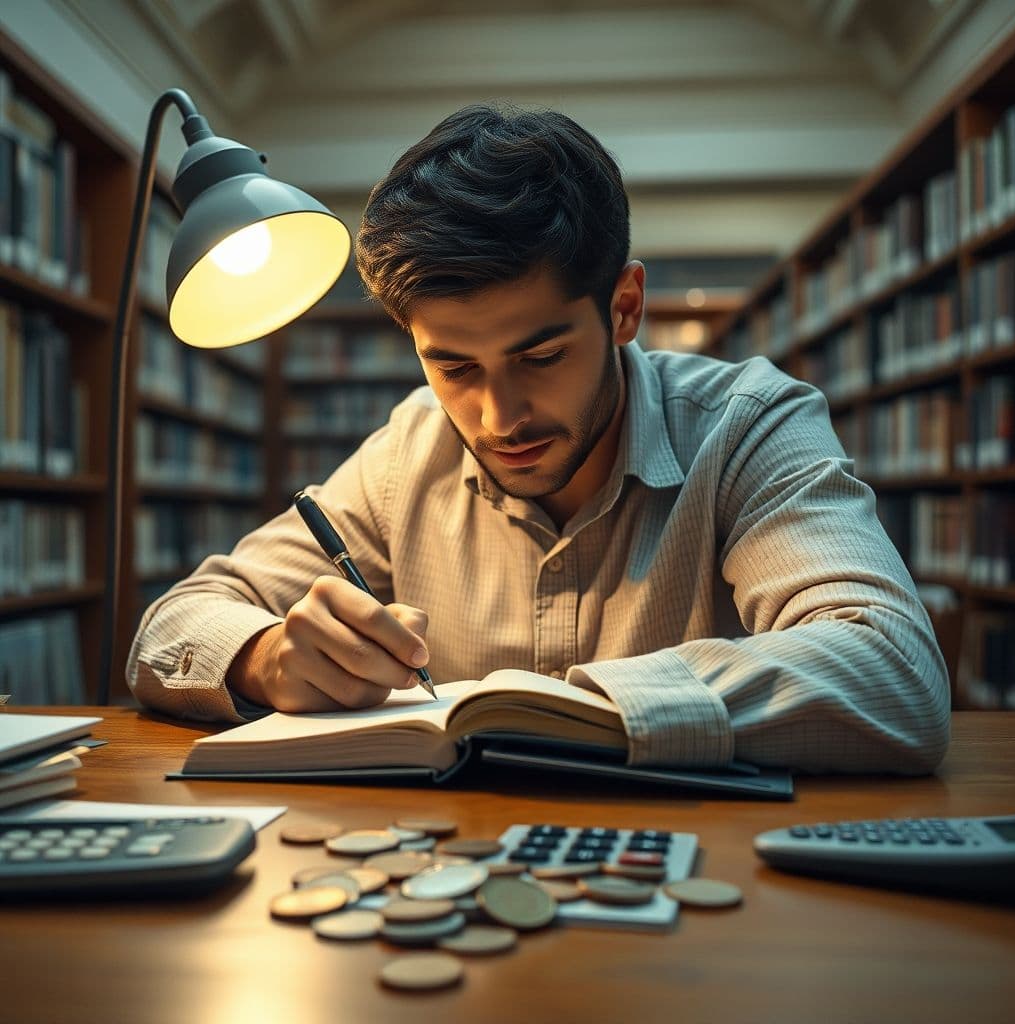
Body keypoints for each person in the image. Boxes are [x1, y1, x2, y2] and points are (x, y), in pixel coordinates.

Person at [127, 104, 950, 773]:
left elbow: (894, 674)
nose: (496, 417)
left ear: (624, 308)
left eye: (541, 355)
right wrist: (268, 657)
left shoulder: (745, 426)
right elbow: (174, 625)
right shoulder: (407, 453)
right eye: (452, 366)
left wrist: (555, 718)